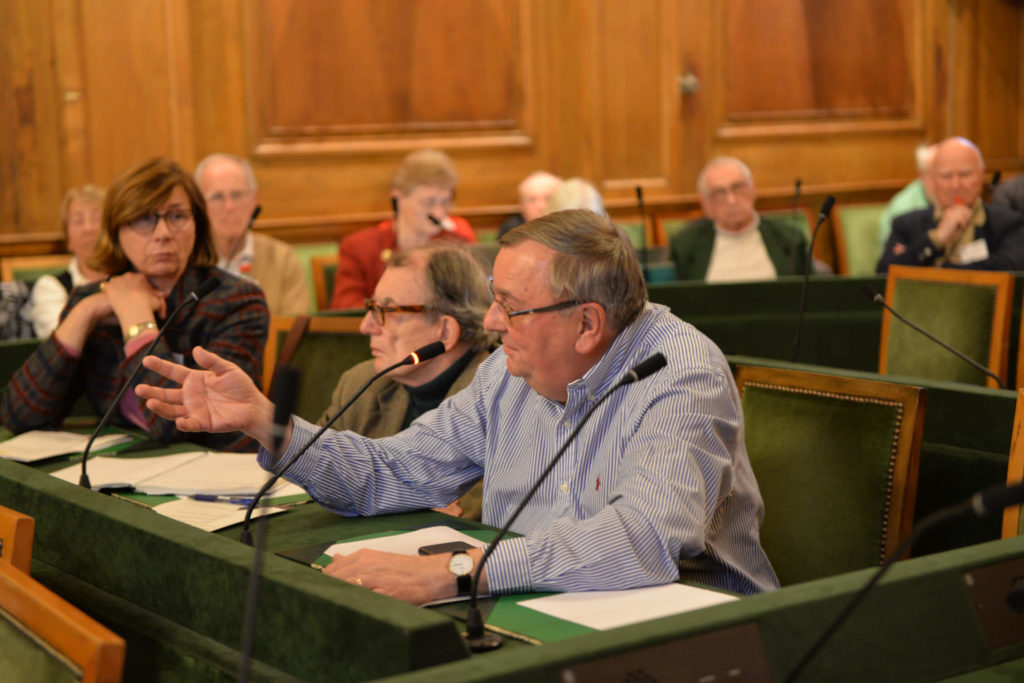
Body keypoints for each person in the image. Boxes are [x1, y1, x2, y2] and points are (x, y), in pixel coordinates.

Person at [137, 209, 778, 604]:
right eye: (494, 297)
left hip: (688, 628)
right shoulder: (507, 372)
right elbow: (392, 471)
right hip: (533, 607)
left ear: (588, 325)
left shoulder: (680, 373)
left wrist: (461, 571)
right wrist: (264, 421)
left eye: (511, 306)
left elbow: (644, 539)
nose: (492, 322)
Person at [1, 157, 268, 452]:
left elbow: (177, 424)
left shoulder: (236, 301)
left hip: (222, 470)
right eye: (144, 219)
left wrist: (137, 321)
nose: (163, 233)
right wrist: (83, 313)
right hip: (126, 466)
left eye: (177, 216)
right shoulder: (93, 300)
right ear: (116, 231)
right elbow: (17, 417)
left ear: (197, 225)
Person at [317, 243, 494, 520]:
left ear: (445, 330)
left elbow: (477, 513)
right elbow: (321, 473)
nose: (366, 326)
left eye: (387, 310)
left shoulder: (498, 397)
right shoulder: (361, 384)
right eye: (372, 307)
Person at [329, 149, 477, 309]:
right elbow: (347, 308)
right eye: (429, 202)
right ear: (399, 199)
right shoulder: (359, 247)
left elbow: (472, 304)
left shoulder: (456, 244)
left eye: (445, 202)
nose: (439, 213)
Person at [876, 137, 1024, 273]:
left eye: (965, 174)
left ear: (981, 174)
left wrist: (935, 269)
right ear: (933, 179)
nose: (955, 185)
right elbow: (883, 274)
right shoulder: (906, 225)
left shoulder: (1009, 223)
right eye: (946, 176)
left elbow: (1009, 267)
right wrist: (936, 239)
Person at [194, 153, 310, 316]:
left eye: (237, 195)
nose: (229, 206)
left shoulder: (282, 259)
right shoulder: (188, 260)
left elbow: (295, 328)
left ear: (253, 200)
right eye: (217, 197)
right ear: (199, 205)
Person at [670, 157, 808, 282]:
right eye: (719, 192)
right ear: (706, 204)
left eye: (737, 187)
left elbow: (812, 293)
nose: (731, 200)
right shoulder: (685, 244)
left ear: (753, 190)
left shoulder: (788, 237)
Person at [29, 185, 109, 338]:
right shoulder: (51, 287)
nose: (89, 228)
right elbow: (58, 341)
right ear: (68, 239)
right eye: (79, 221)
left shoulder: (131, 276)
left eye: (97, 219)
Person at [877, 144, 937, 250]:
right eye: (934, 174)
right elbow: (894, 256)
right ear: (920, 174)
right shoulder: (903, 207)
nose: (944, 184)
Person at [498, 171, 562, 237]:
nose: (540, 206)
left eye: (548, 198)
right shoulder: (512, 229)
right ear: (522, 205)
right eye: (532, 200)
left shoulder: (570, 227)